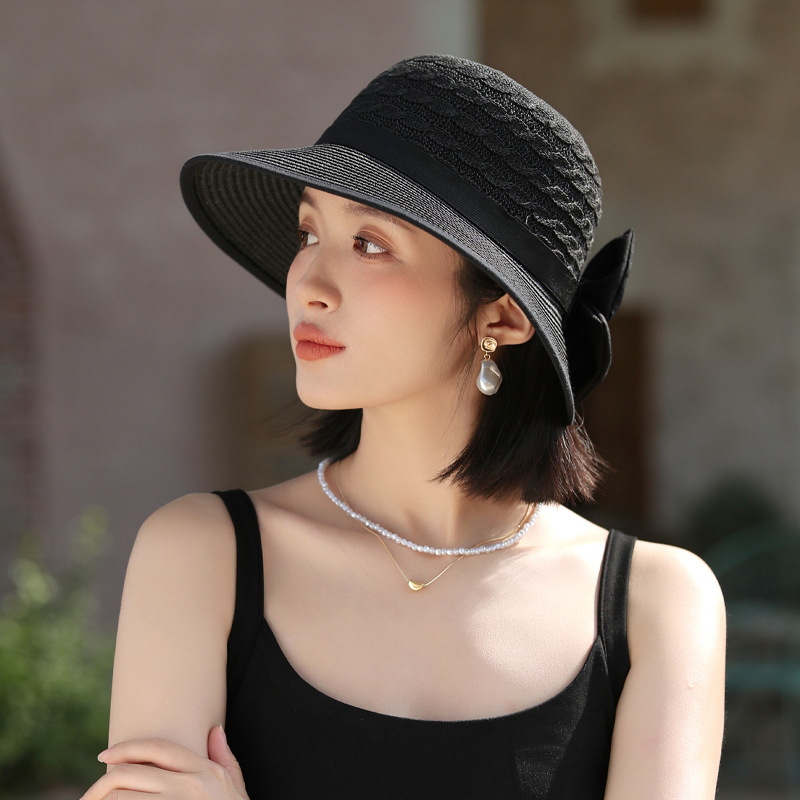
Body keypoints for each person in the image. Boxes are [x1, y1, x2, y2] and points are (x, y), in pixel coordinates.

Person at [81, 55, 725, 799]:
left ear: (502, 318)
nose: (309, 284)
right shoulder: (201, 555)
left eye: (369, 244)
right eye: (308, 232)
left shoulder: (657, 606)